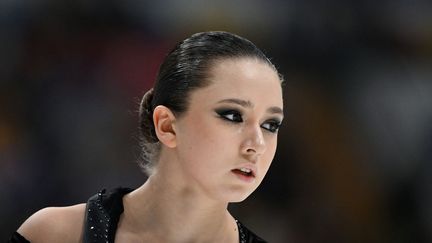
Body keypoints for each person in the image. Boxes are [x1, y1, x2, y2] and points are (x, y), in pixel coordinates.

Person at [9, 31, 284, 243]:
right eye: (233, 115)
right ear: (167, 126)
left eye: (270, 124)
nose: (257, 144)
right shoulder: (56, 234)